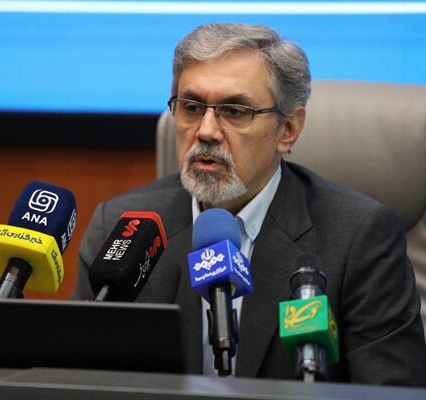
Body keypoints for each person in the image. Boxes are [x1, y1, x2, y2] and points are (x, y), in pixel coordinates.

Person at [71, 23, 426, 386]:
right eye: (191, 107)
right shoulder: (122, 228)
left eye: (234, 111)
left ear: (288, 129)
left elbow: (392, 391)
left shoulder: (358, 239)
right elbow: (76, 378)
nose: (206, 130)